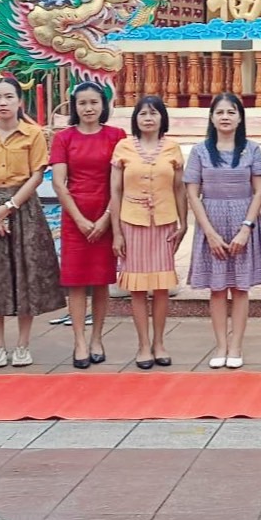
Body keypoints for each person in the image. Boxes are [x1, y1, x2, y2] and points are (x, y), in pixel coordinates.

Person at [0, 78, 64, 368]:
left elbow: (36, 175)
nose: (3, 102)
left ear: (20, 101)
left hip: (23, 209)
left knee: (26, 275)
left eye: (9, 97)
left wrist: (8, 207)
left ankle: (22, 344)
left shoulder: (33, 134)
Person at [186, 93, 261, 369]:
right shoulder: (199, 151)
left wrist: (246, 228)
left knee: (239, 287)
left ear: (240, 118)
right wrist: (209, 233)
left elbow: (259, 190)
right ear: (212, 117)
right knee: (216, 288)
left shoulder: (251, 149)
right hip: (211, 221)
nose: (225, 117)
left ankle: (236, 345)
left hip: (242, 221)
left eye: (231, 112)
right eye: (220, 112)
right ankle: (221, 345)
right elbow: (192, 193)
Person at [49, 82, 125, 368]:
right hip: (75, 218)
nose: (88, 108)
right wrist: (79, 219)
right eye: (82, 103)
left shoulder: (116, 136)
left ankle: (97, 338)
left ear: (103, 105)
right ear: (75, 107)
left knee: (101, 281)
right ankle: (79, 340)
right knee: (76, 282)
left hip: (107, 214)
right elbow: (59, 183)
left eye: (94, 102)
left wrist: (106, 218)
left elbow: (120, 182)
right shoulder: (64, 138)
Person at [110, 95, 186, 369]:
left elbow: (179, 188)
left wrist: (183, 223)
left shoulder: (173, 148)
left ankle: (159, 343)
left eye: (154, 113)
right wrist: (117, 232)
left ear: (162, 118)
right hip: (132, 224)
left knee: (162, 287)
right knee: (138, 288)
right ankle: (143, 345)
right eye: (143, 113)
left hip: (164, 224)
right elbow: (115, 191)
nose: (148, 118)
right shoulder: (123, 147)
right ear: (136, 119)